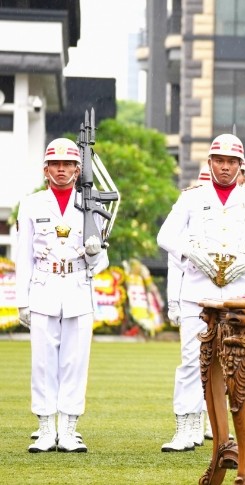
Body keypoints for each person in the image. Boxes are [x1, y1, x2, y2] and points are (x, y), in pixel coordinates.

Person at [156, 134, 245, 452]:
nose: (225, 167)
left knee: (242, 363)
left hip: (240, 293)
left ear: (241, 166)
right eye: (219, 161)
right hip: (197, 292)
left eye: (231, 162)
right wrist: (189, 253)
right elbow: (166, 234)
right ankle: (187, 427)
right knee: (191, 362)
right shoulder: (191, 198)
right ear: (209, 163)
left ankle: (240, 430)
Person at [16, 138, 109, 453]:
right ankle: (45, 430)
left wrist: (95, 252)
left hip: (77, 287)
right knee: (42, 362)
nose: (61, 169)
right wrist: (22, 300)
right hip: (44, 286)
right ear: (46, 169)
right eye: (55, 164)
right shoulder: (31, 204)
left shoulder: (90, 203)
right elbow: (23, 255)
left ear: (77, 168)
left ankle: (68, 430)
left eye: (67, 164)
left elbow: (102, 260)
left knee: (74, 361)